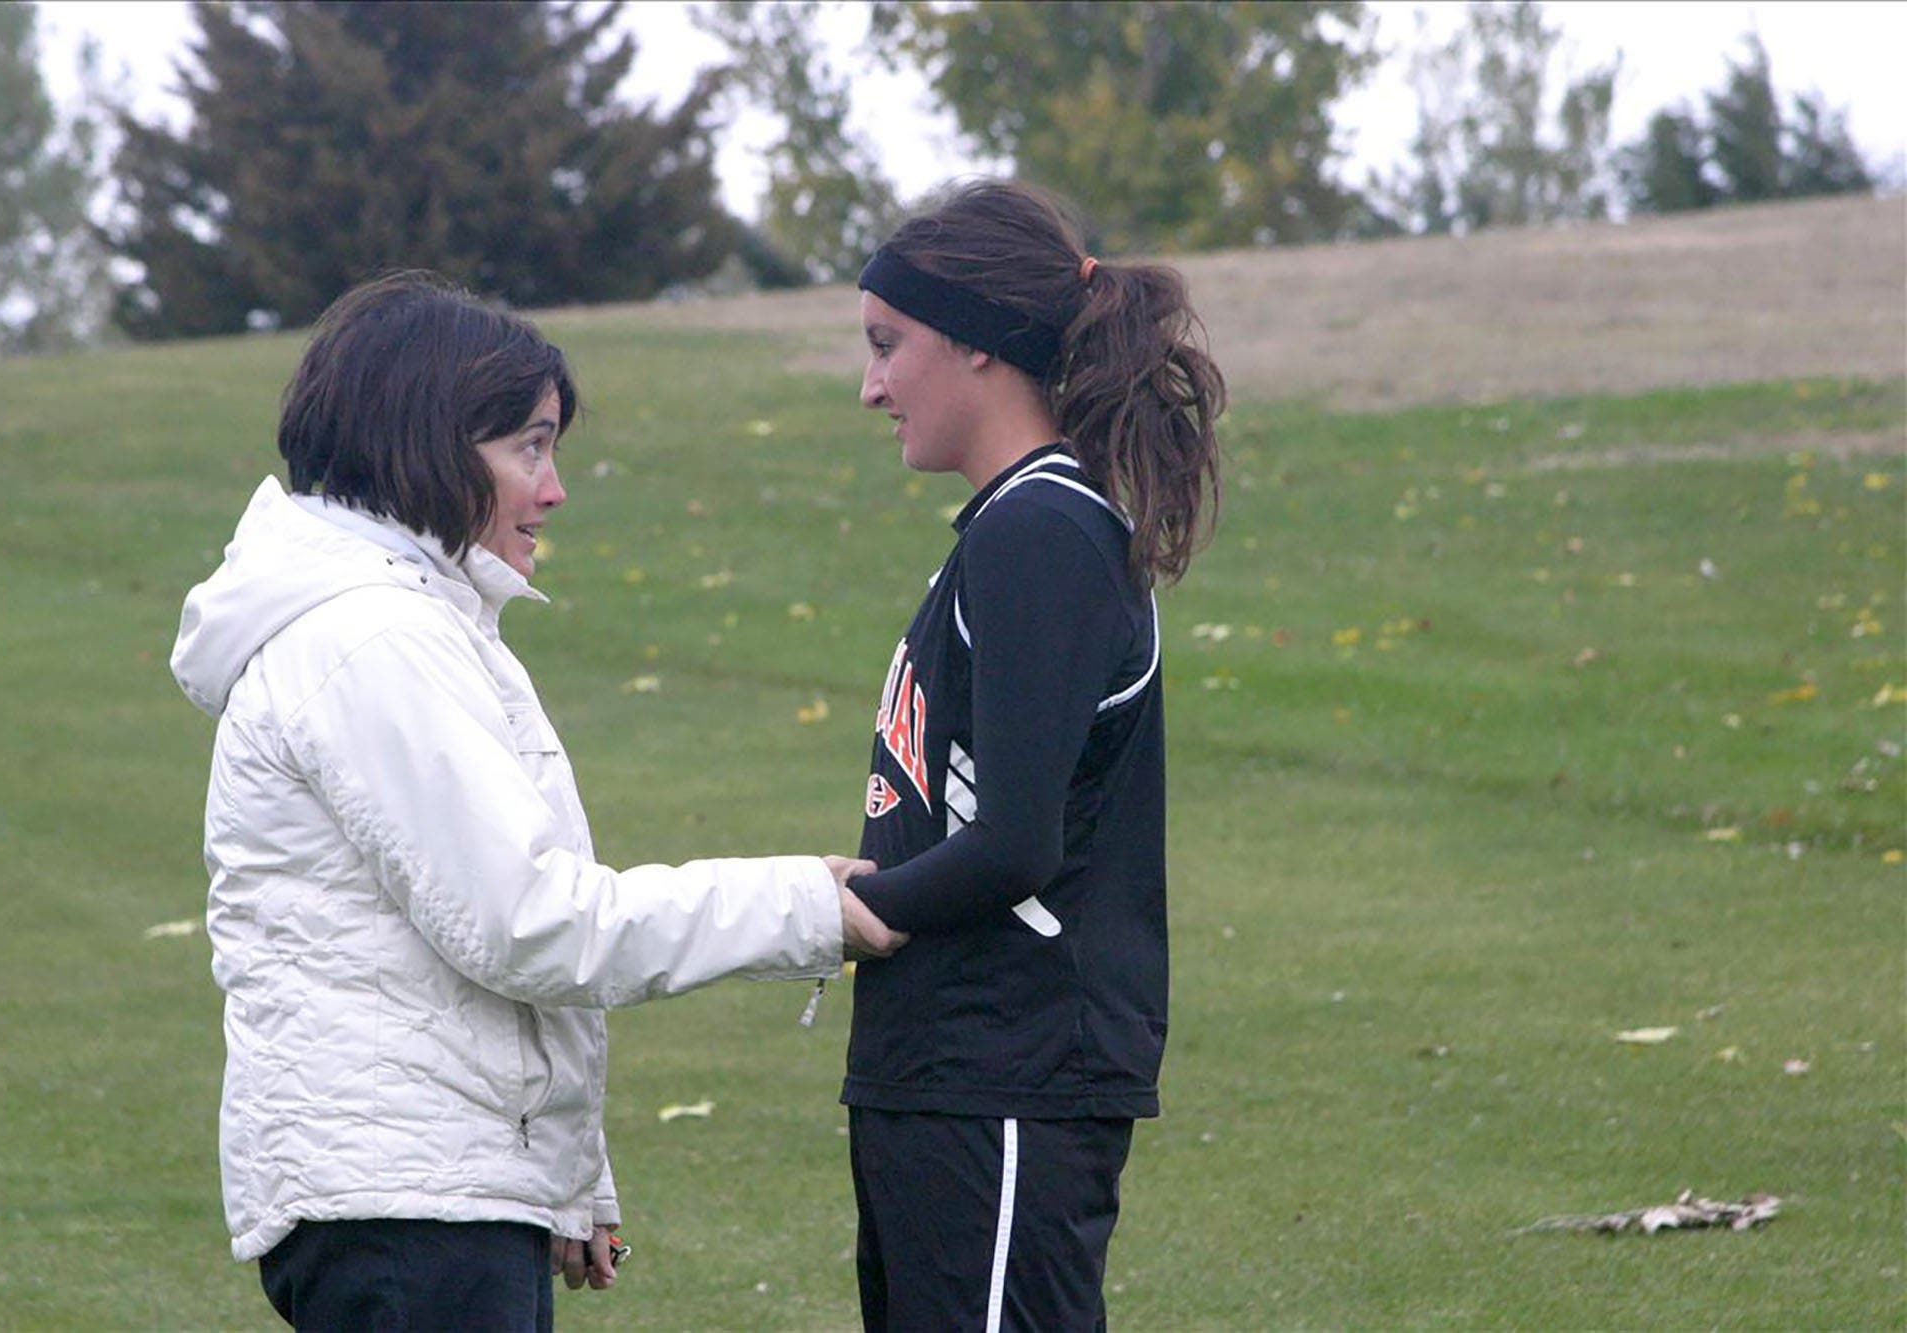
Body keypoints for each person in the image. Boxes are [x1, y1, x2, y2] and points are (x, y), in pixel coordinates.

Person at [170, 271, 903, 1332]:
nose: (553, 489)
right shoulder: (375, 640)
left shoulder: (403, 622)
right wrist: (801, 905)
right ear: (424, 445)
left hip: (424, 1197)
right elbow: (527, 921)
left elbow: (467, 964)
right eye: (529, 446)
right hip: (406, 1210)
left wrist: (559, 1183)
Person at [840, 180, 1226, 1331]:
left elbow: (1012, 844)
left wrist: (837, 913)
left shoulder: (1042, 534)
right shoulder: (1007, 534)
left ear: (974, 343)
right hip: (942, 1073)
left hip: (1003, 1071)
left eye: (884, 343)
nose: (867, 386)